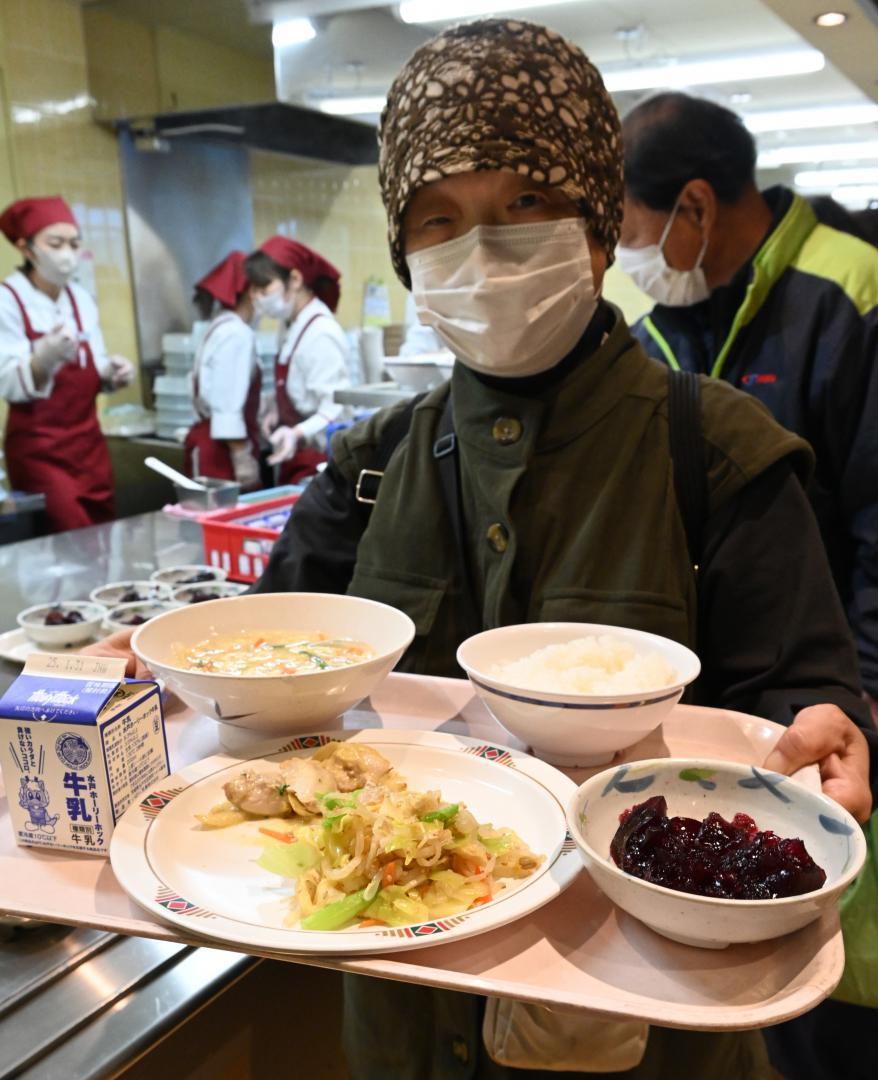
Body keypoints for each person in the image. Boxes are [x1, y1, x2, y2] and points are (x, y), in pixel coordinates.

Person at [88, 19, 877, 1077]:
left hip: (649, 1022)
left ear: (599, 229)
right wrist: (156, 682)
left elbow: (799, 714)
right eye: (438, 220)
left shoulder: (720, 454)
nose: (482, 249)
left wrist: (828, 736)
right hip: (404, 1019)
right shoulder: (369, 464)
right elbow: (256, 666)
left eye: (523, 205)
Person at [617, 92, 878, 719]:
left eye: (628, 231)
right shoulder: (658, 328)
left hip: (821, 678)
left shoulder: (851, 296)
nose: (626, 255)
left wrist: (863, 685)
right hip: (698, 682)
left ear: (697, 207)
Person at [0, 196, 134, 532]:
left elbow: (94, 363)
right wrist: (42, 359)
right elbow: (7, 382)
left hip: (89, 445)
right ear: (26, 248)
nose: (67, 253)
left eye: (74, 244)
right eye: (55, 243)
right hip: (40, 450)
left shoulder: (81, 298)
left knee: (101, 535)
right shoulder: (8, 300)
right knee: (69, 540)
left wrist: (111, 373)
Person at [245, 236, 350, 484]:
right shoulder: (290, 325)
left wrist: (298, 432)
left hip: (321, 461)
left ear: (294, 279)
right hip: (295, 459)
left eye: (264, 289)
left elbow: (336, 408)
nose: (258, 298)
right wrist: (273, 407)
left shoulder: (321, 332)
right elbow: (296, 385)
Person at [183, 251, 261, 491]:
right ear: (249, 292)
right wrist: (241, 457)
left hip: (209, 445)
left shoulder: (219, 327)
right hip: (221, 454)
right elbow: (227, 405)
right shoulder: (236, 334)